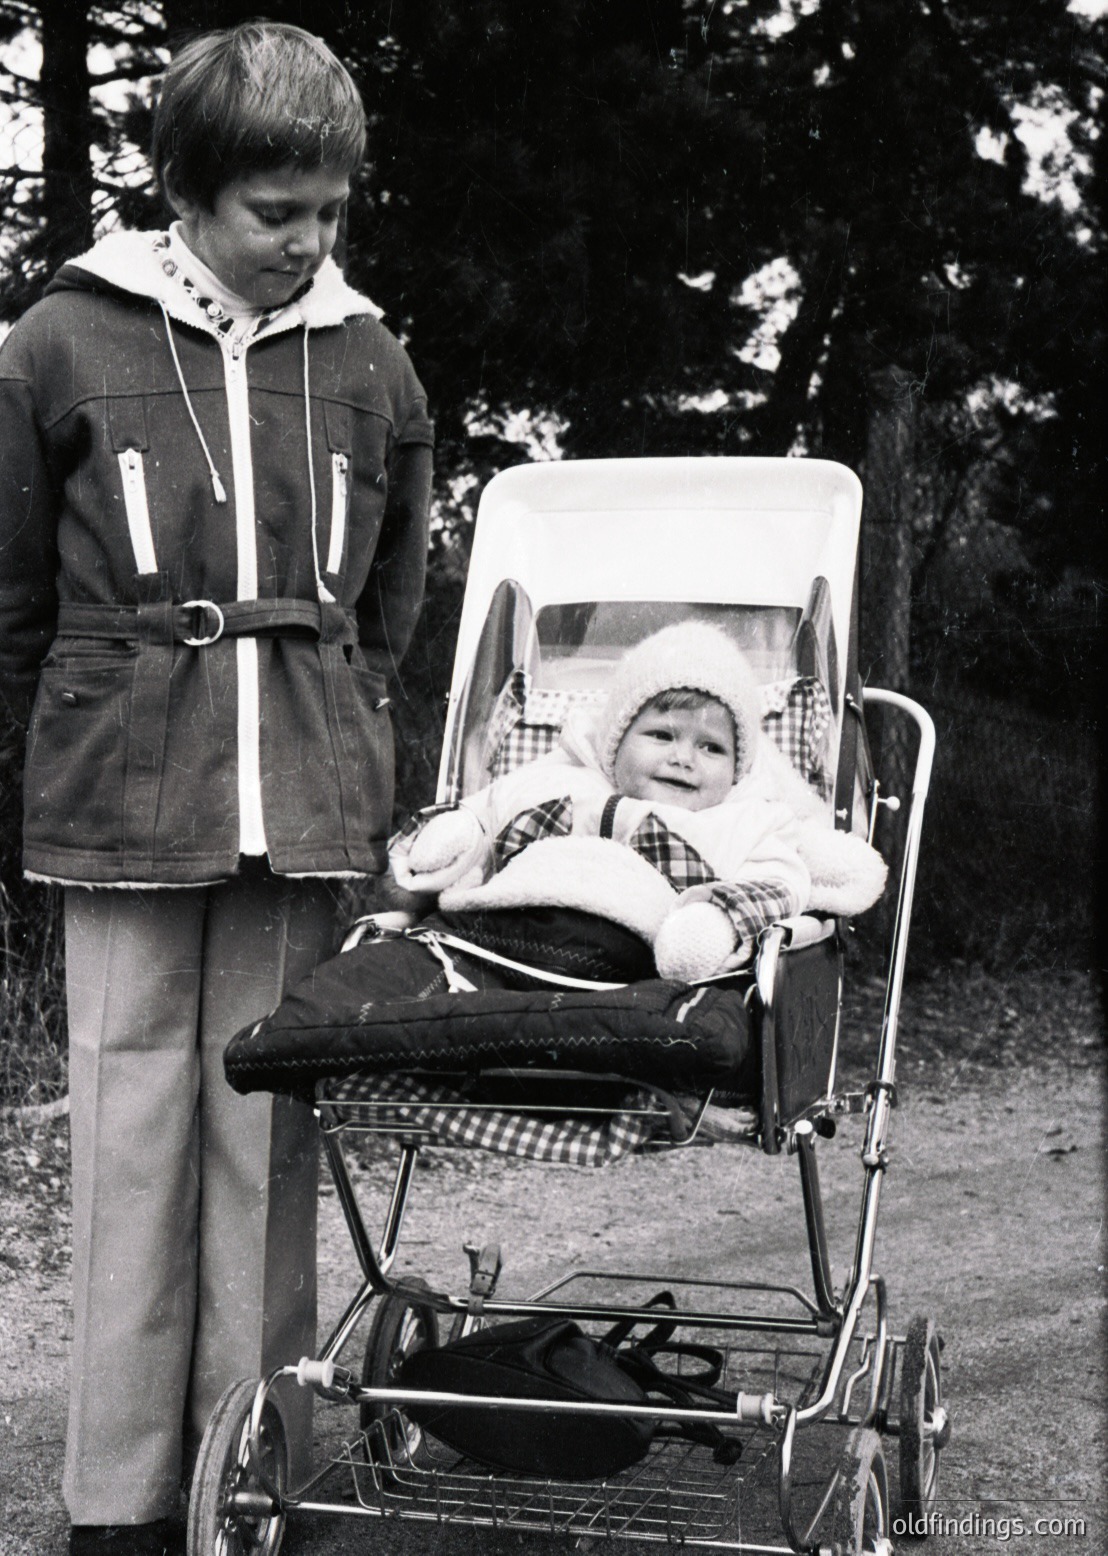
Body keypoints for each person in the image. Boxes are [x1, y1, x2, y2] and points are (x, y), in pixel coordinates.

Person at [0, 21, 432, 1556]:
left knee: (268, 1145)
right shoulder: (60, 341)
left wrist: (343, 724)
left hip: (303, 800)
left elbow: (394, 589)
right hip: (118, 796)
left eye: (328, 211)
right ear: (190, 185)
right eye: (276, 213)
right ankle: (116, 1507)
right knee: (130, 1137)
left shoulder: (368, 357)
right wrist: (47, 762)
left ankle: (253, 1483)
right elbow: (8, 601)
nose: (306, 243)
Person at [390, 623, 886, 981]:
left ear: (738, 768)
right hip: (486, 930)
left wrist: (714, 919)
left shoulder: (741, 822)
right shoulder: (561, 778)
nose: (684, 759)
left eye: (712, 747)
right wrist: (459, 832)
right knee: (388, 970)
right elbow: (487, 809)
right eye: (662, 735)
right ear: (616, 739)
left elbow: (781, 883)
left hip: (625, 960)